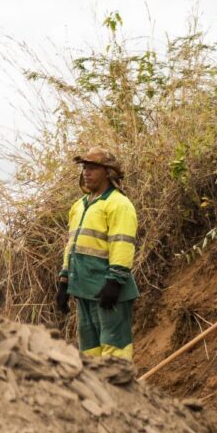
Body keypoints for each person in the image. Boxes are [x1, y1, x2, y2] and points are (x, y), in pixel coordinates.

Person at [53, 149, 140, 360]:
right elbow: (71, 245)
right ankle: (97, 392)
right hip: (83, 288)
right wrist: (64, 281)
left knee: (114, 349)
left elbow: (122, 244)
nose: (86, 173)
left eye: (92, 168)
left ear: (108, 172)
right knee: (89, 352)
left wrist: (115, 282)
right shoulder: (79, 206)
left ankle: (119, 392)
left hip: (108, 290)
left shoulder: (119, 204)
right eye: (84, 168)